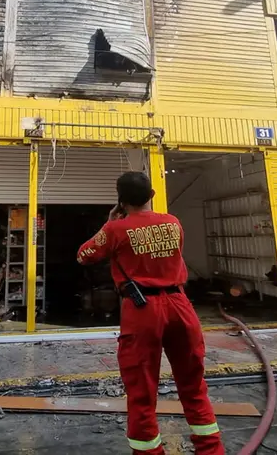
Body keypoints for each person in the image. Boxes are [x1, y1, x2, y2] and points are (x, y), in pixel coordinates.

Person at [76, 172, 223, 455]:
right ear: (152, 195)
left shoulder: (116, 230)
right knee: (193, 386)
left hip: (142, 309)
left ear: (120, 201)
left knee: (142, 391)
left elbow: (84, 255)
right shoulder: (173, 223)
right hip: (180, 305)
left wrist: (110, 222)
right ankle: (211, 450)